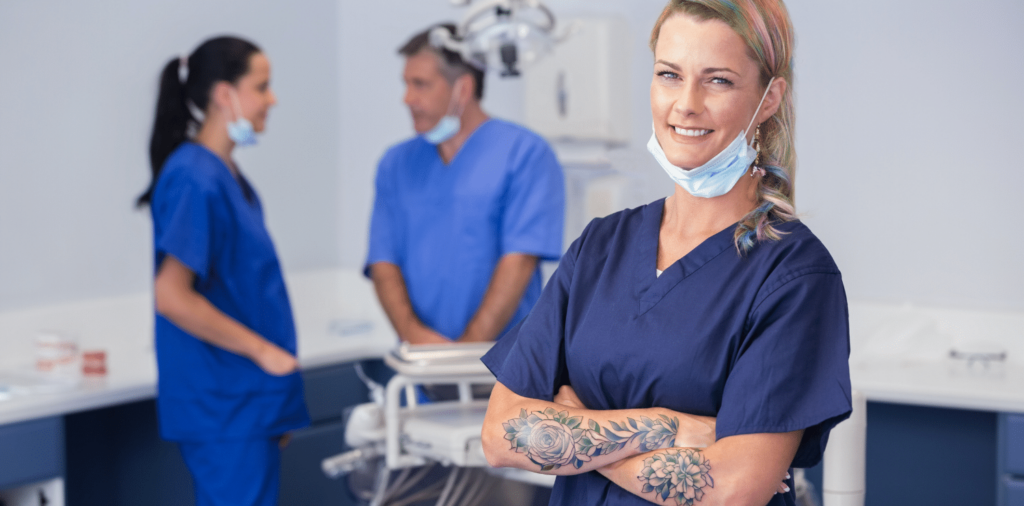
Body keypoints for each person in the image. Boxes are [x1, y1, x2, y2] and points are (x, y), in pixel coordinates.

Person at [480, 1, 852, 505]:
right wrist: (668, 426)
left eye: (717, 80)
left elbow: (731, 491)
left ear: (768, 99)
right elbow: (501, 435)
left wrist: (577, 426)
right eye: (669, 75)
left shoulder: (794, 276)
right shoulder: (601, 246)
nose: (686, 104)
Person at [136, 36, 309, 506]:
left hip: (245, 403)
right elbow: (172, 295)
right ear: (223, 94)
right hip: (226, 404)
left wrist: (274, 394)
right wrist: (264, 355)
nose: (272, 99)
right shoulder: (195, 176)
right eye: (262, 86)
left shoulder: (225, 176)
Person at [365, 24, 565, 346]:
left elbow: (519, 261)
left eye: (421, 85)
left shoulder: (524, 154)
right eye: (406, 84)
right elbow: (383, 261)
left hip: (501, 363)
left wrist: (466, 354)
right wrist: (415, 337)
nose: (407, 98)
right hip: (421, 363)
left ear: (463, 88)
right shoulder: (396, 163)